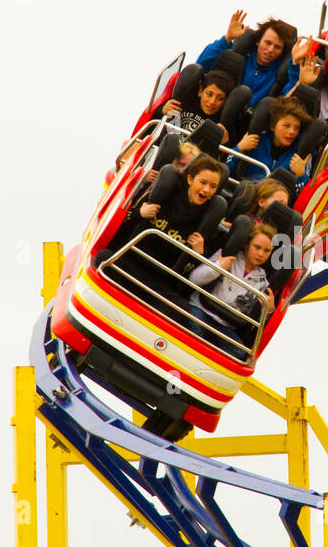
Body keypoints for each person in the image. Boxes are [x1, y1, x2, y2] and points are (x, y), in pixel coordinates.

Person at [94, 155, 225, 278]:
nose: (207, 190)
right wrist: (139, 214)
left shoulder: (208, 218)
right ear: (190, 179)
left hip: (157, 279)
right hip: (129, 261)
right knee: (103, 256)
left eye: (213, 186)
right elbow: (118, 230)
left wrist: (198, 253)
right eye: (203, 182)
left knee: (178, 303)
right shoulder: (165, 192)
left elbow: (187, 275)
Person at [187, 223, 275, 358]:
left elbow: (256, 323)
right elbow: (194, 279)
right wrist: (218, 267)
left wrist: (268, 310)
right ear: (247, 244)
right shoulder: (227, 255)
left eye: (267, 250)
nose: (260, 254)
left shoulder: (263, 282)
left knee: (239, 352)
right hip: (201, 308)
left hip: (225, 323)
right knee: (195, 328)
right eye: (257, 247)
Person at [196, 12, 308, 107]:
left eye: (277, 47)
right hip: (217, 109)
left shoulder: (280, 74)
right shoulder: (239, 55)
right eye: (267, 43)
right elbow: (201, 67)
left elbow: (288, 100)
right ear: (258, 41)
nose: (270, 50)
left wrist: (295, 64)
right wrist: (227, 39)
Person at [228, 96, 314, 194]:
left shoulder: (301, 155)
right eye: (287, 126)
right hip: (243, 191)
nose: (292, 132)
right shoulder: (257, 139)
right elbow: (227, 169)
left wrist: (301, 175)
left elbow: (301, 197)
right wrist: (238, 149)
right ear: (273, 126)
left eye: (296, 128)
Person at [157, 70, 235, 136]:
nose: (212, 102)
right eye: (209, 94)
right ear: (201, 91)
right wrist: (162, 110)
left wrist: (223, 142)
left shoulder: (221, 123)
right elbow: (152, 117)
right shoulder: (184, 100)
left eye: (220, 99)